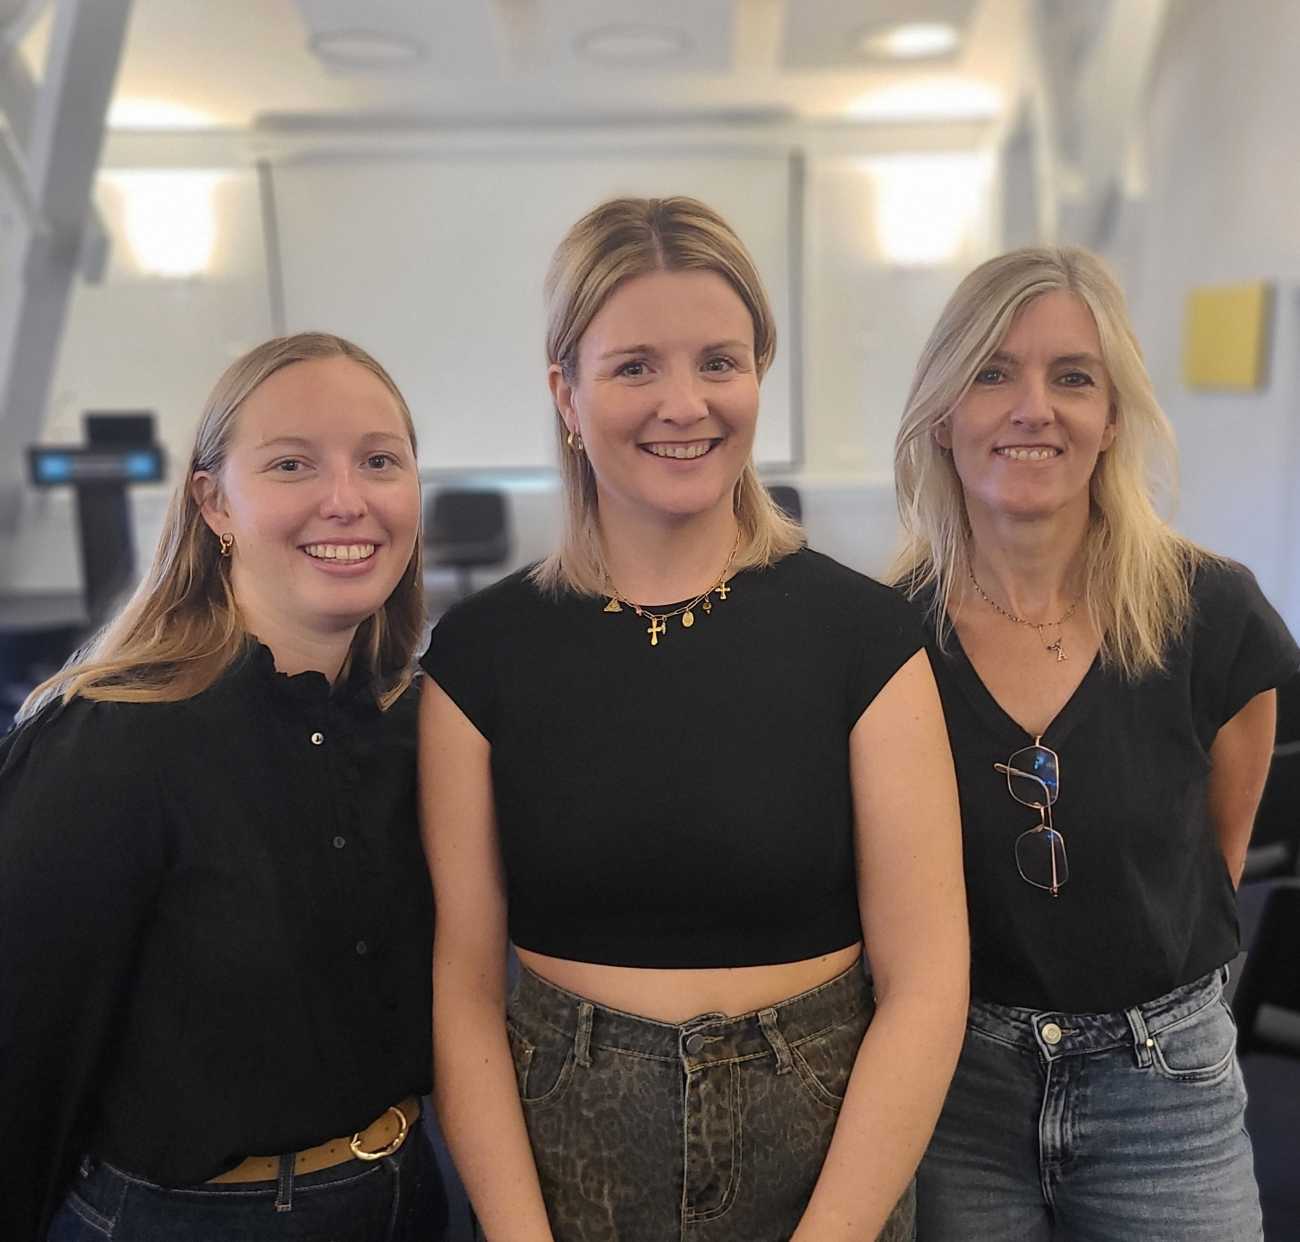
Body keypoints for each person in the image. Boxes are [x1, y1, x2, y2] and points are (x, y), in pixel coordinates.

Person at [420, 196, 968, 1242]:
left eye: (720, 362)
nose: (685, 403)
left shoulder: (864, 637)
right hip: (565, 1163)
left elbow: (928, 977)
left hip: (821, 1156)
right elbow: (461, 991)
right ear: (565, 397)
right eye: (633, 367)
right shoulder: (480, 656)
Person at [0, 333, 448, 1242]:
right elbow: (21, 1054)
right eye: (292, 464)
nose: (347, 499)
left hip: (410, 1194)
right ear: (215, 501)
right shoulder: (107, 739)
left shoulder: (423, 726)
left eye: (379, 461)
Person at [891, 246, 1300, 1241]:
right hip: (949, 1089)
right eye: (992, 372)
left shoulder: (1214, 612)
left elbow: (1213, 853)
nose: (1034, 406)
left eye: (1071, 377)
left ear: (1111, 416)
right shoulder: (881, 638)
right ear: (943, 414)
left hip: (1166, 1083)